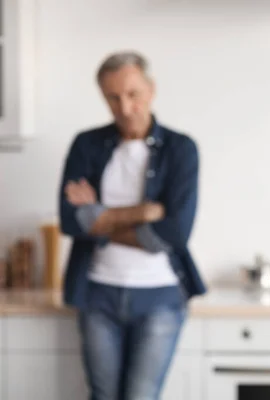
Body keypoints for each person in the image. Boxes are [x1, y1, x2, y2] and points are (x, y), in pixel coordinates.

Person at [58, 51, 206, 400]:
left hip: (161, 296)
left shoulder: (181, 149)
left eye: (132, 94)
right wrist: (145, 212)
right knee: (103, 395)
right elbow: (69, 220)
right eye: (112, 97)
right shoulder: (86, 144)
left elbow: (175, 233)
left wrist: (100, 216)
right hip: (97, 294)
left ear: (150, 89)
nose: (124, 107)